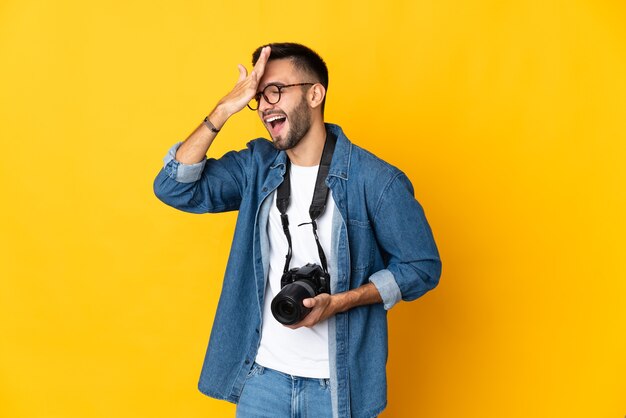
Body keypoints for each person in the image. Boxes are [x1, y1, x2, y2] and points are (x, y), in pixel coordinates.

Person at [153, 42, 441, 418]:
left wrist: (340, 301)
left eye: (276, 90)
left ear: (314, 93)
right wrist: (223, 109)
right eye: (259, 96)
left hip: (338, 389)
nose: (265, 104)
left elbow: (422, 267)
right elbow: (174, 187)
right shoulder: (257, 166)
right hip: (262, 379)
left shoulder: (376, 180)